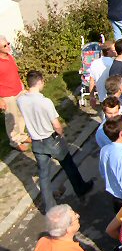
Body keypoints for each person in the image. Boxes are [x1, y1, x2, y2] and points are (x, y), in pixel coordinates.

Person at [17, 70, 93, 211]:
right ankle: (80, 188)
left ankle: (49, 206)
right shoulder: (45, 102)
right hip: (51, 139)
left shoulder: (21, 100)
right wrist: (61, 133)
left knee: (44, 175)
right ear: (39, 82)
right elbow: (56, 124)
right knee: (68, 164)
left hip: (36, 141)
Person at [0, 35, 30, 152]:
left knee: (21, 114)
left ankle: (22, 135)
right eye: (4, 46)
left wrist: (22, 86)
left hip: (18, 90)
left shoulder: (10, 57)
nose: (8, 46)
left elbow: (14, 73)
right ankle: (14, 141)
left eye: (8, 44)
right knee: (11, 119)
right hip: (7, 95)